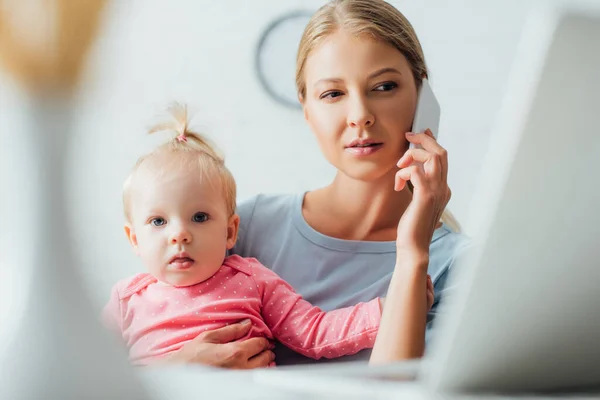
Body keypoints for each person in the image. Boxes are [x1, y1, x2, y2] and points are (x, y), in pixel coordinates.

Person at [167, 0, 467, 368]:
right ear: (307, 110)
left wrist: (412, 256)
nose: (360, 116)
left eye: (384, 86)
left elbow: (395, 392)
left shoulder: (457, 265)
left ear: (423, 98)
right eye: (333, 94)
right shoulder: (237, 230)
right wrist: (176, 369)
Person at [102, 103, 435, 366]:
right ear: (134, 239)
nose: (180, 235)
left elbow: (314, 333)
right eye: (158, 222)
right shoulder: (126, 300)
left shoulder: (252, 278)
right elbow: (92, 375)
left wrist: (393, 308)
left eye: (199, 217)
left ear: (231, 231)